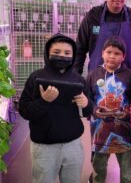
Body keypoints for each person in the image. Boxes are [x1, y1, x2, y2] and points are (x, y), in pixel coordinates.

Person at [19, 34, 93, 183]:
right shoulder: (36, 77)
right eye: (57, 52)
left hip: (73, 145)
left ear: (73, 56)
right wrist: (44, 101)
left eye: (67, 53)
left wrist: (86, 104)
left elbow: (88, 111)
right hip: (43, 147)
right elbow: (25, 111)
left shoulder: (78, 80)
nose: (62, 56)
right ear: (48, 53)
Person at [86, 37, 131, 183]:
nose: (112, 56)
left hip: (125, 133)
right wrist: (95, 109)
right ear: (102, 53)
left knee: (128, 174)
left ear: (124, 57)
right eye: (109, 52)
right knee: (99, 170)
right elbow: (87, 99)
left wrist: (127, 112)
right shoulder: (93, 74)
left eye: (117, 53)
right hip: (99, 132)